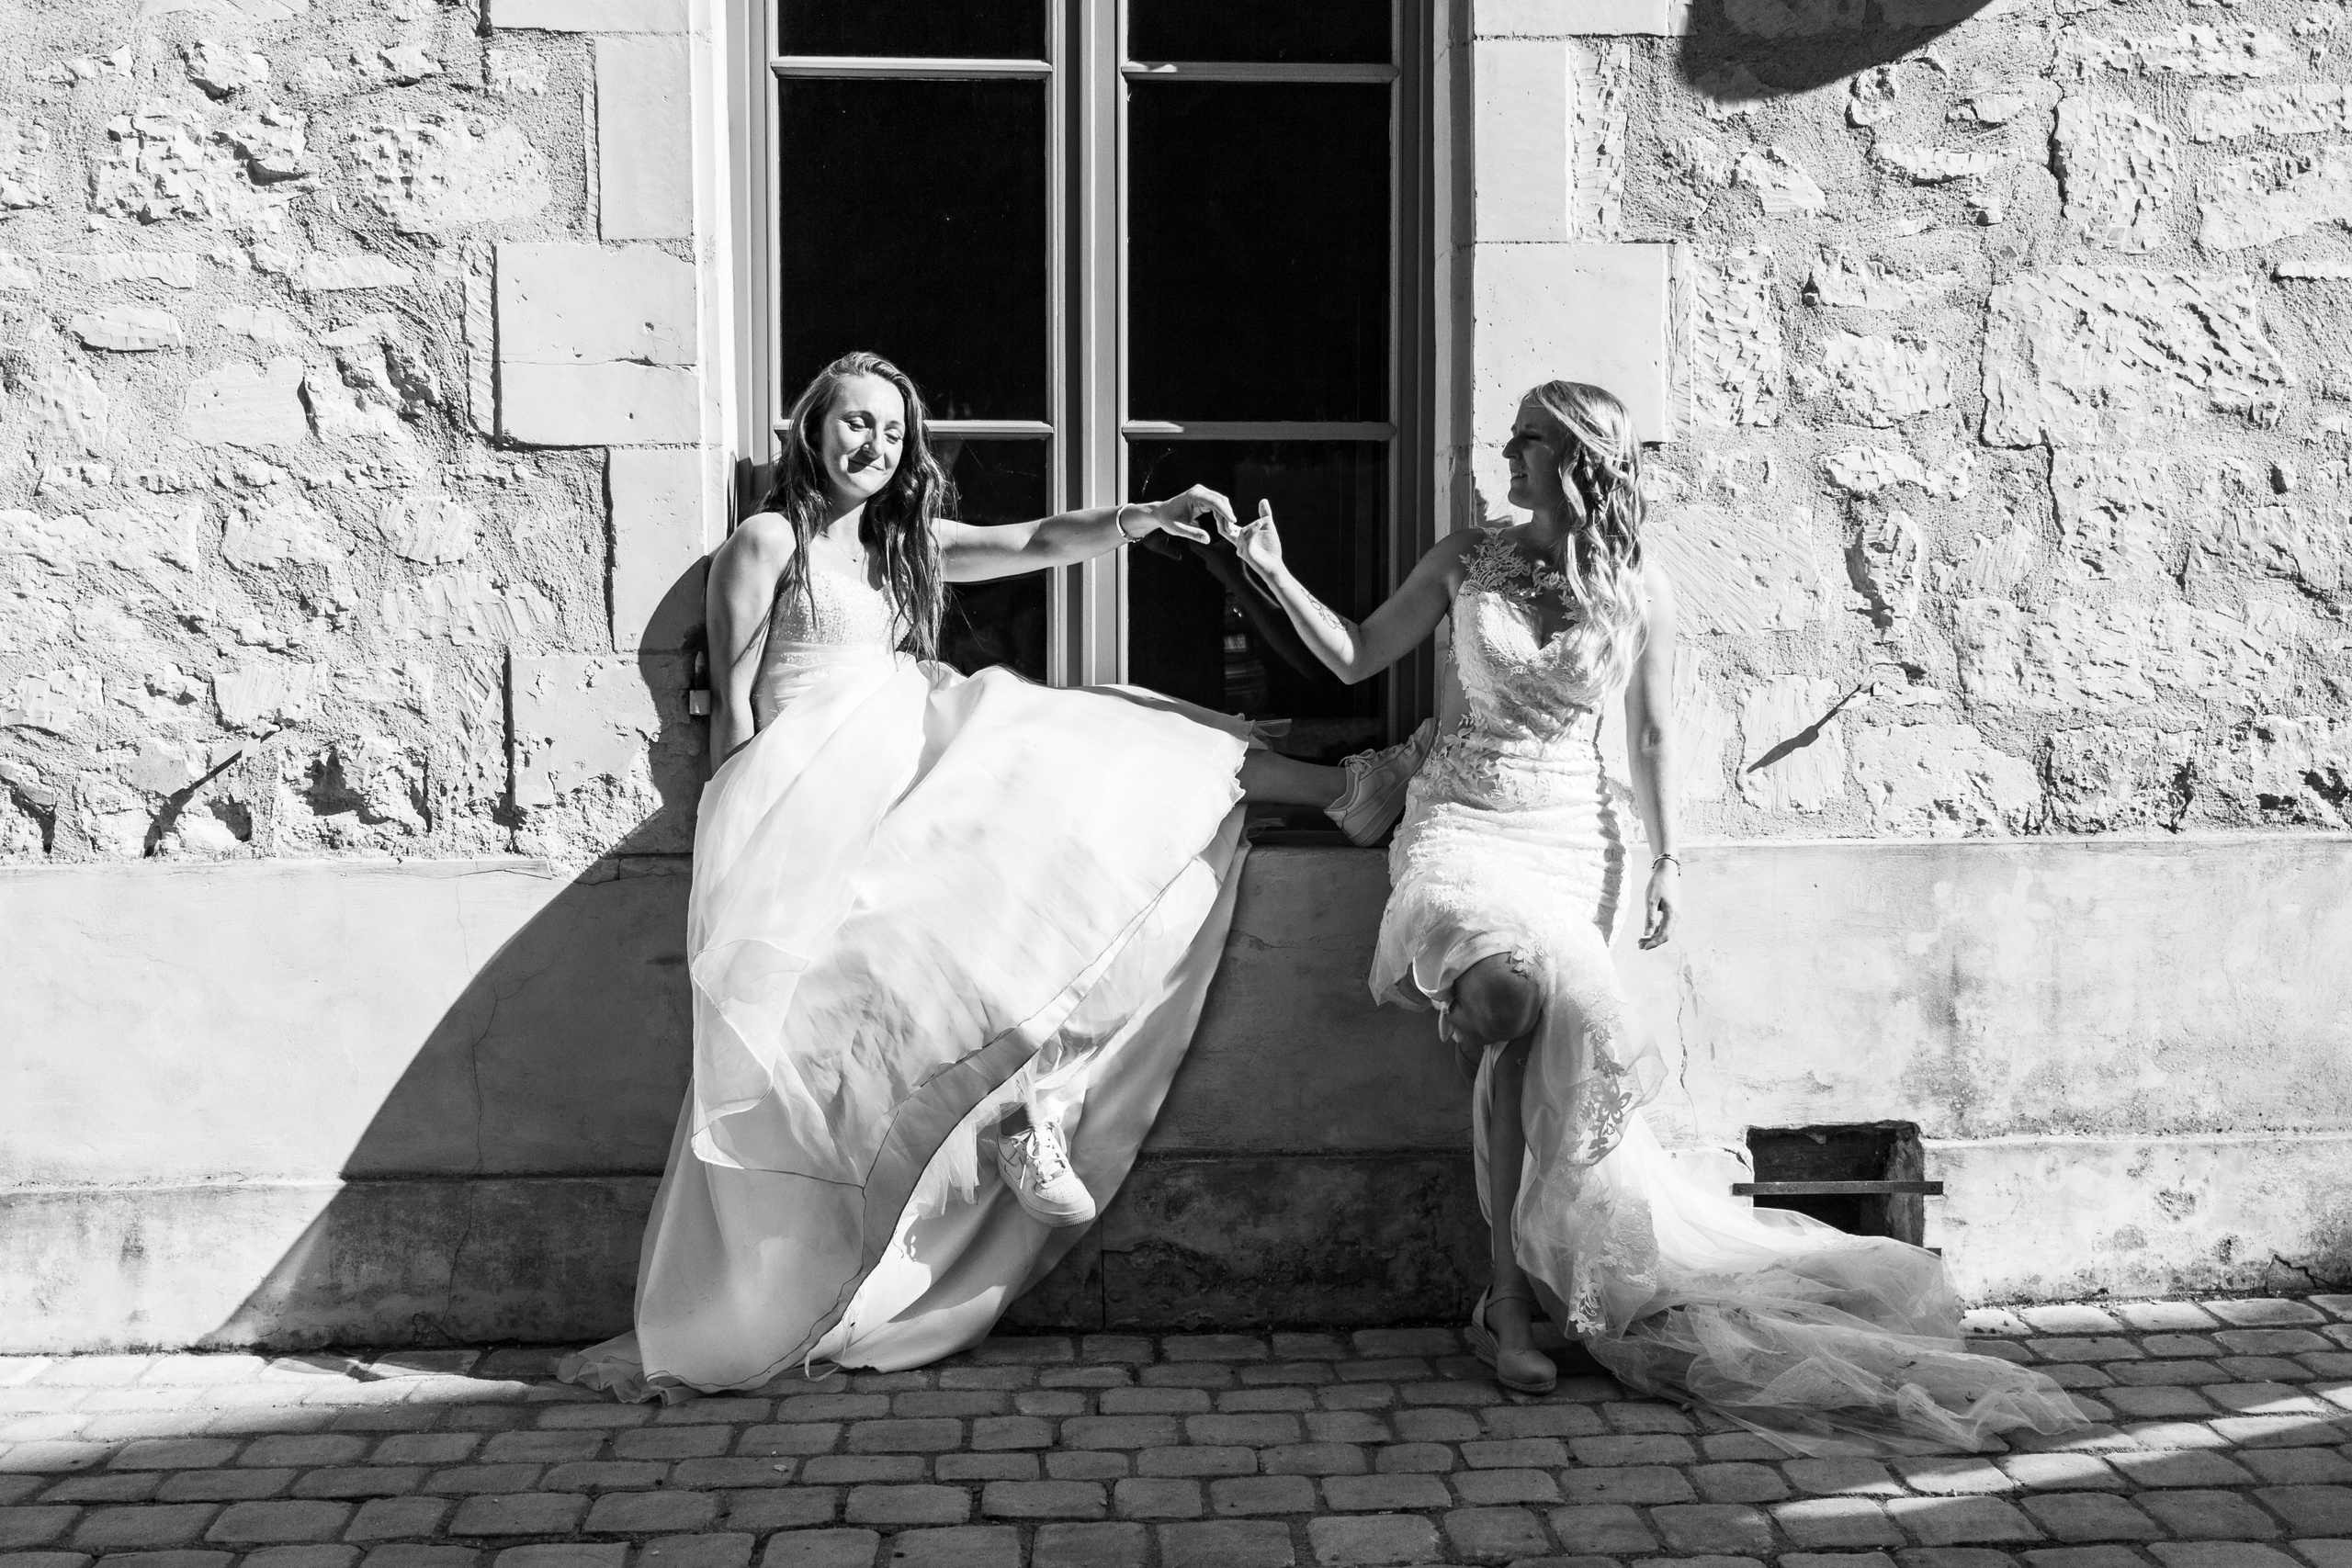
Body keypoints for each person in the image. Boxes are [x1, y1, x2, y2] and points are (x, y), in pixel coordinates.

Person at [1227, 378, 2086, 1453]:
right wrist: (1270, 574)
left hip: (1570, 841)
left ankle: (1518, 1293)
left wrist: (1669, 858)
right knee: (1504, 1002)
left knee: (1550, 1041)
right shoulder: (1465, 558)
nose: (1507, 452)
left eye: (1526, 440)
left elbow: (1649, 741)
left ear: (1576, 455)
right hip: (1460, 827)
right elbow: (1354, 652)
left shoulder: (1637, 588)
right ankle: (1505, 1297)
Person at [560, 352, 1430, 1400]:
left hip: (910, 747)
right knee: (899, 959)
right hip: (811, 791)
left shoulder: (897, 544)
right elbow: (734, 710)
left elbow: (1030, 541)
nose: (873, 447)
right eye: (854, 425)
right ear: (810, 428)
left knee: (1126, 747)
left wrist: (1140, 517)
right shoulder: (766, 542)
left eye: (890, 432)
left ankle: (1345, 789)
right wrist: (735, 857)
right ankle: (999, 1123)